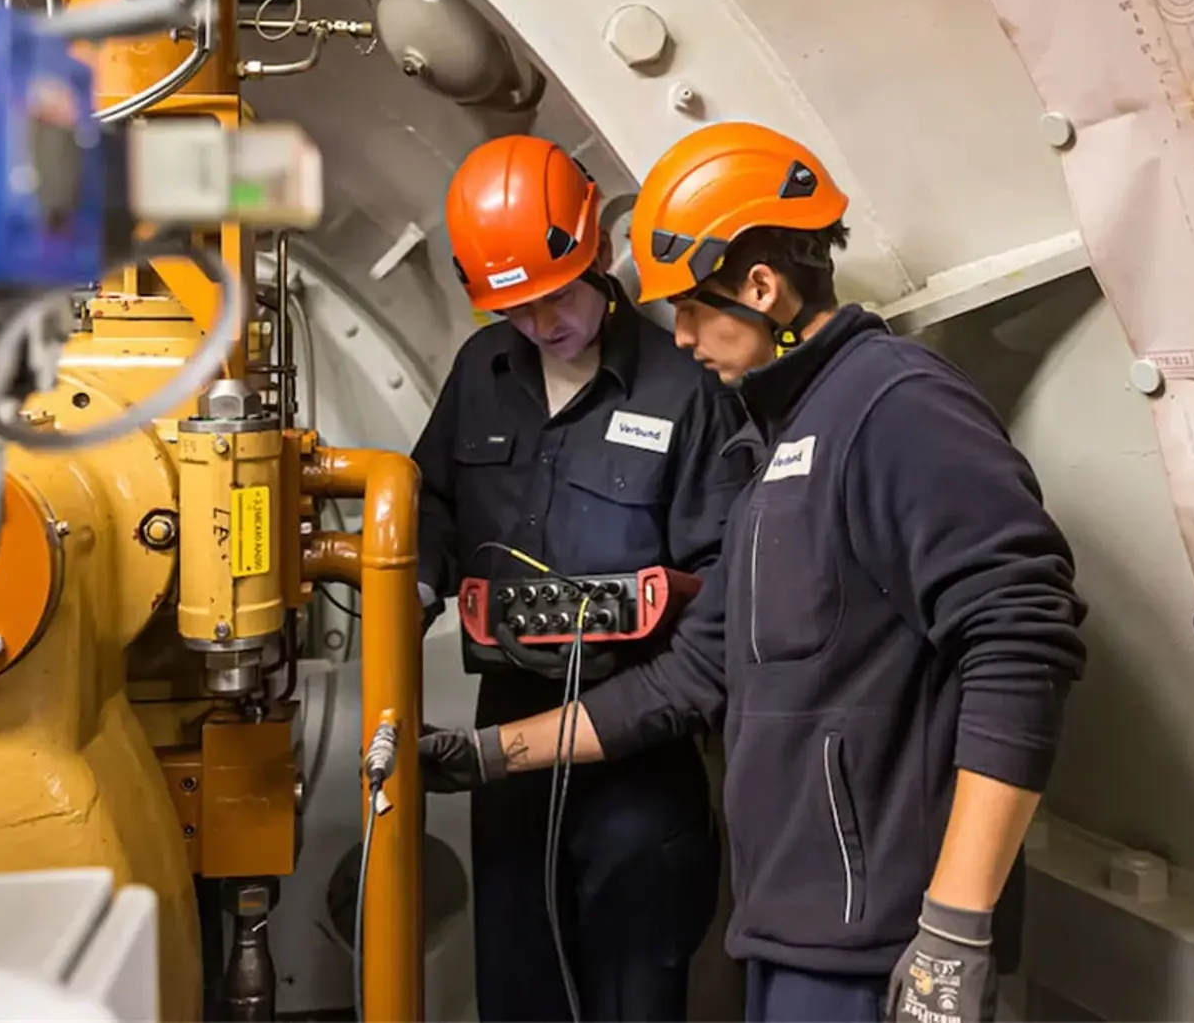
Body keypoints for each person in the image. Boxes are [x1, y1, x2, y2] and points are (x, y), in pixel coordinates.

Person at [418, 122, 1089, 1023]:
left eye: (691, 309)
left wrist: (957, 927)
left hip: (883, 940)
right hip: (790, 926)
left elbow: (1020, 635)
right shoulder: (780, 444)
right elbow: (696, 673)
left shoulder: (895, 403)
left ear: (762, 287)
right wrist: (492, 755)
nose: (681, 336)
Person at [411, 134, 753, 1023]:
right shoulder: (478, 376)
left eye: (555, 296)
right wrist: (411, 585)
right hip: (508, 735)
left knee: (632, 988)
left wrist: (659, 605)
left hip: (637, 742)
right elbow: (429, 508)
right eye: (516, 308)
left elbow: (731, 574)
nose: (542, 324)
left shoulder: (688, 385)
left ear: (595, 243)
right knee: (518, 981)